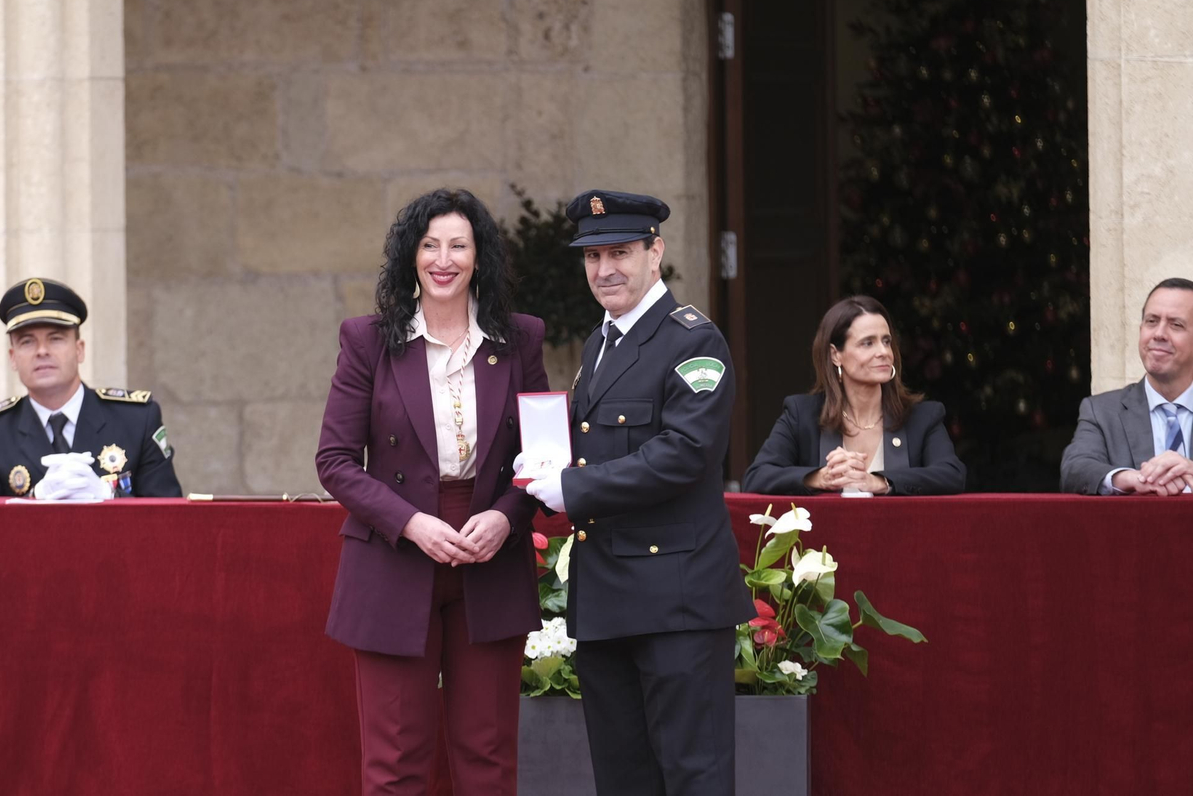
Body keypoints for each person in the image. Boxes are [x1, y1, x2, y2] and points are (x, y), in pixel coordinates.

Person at [316, 189, 549, 795]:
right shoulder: (368, 340)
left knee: (489, 759)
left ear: (480, 257)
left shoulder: (520, 339)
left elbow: (545, 458)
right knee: (395, 764)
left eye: (459, 245)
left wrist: (506, 516)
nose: (443, 259)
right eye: (429, 245)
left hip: (490, 555)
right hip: (395, 554)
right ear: (411, 256)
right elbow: (336, 462)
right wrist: (412, 523)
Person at [524, 190, 752, 795]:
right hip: (608, 599)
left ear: (657, 252)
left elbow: (682, 455)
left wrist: (572, 486)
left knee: (693, 776)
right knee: (624, 780)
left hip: (676, 601)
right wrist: (542, 467)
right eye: (593, 257)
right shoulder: (601, 344)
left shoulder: (693, 342)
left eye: (620, 252)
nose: (605, 270)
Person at [0, 278, 181, 498]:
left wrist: (108, 496)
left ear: (79, 350)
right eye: (27, 342)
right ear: (13, 358)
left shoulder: (136, 420)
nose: (42, 351)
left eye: (56, 339)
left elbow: (169, 515)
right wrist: (32, 499)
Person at [741, 296, 967, 496]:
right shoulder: (802, 414)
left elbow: (952, 475)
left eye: (886, 341)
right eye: (867, 343)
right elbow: (757, 477)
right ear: (835, 355)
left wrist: (880, 482)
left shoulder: (922, 416)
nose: (884, 352)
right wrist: (821, 477)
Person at [1060, 278, 1193, 495]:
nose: (1159, 334)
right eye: (1151, 321)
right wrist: (1132, 478)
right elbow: (1075, 469)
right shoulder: (1101, 411)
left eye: (1176, 324)